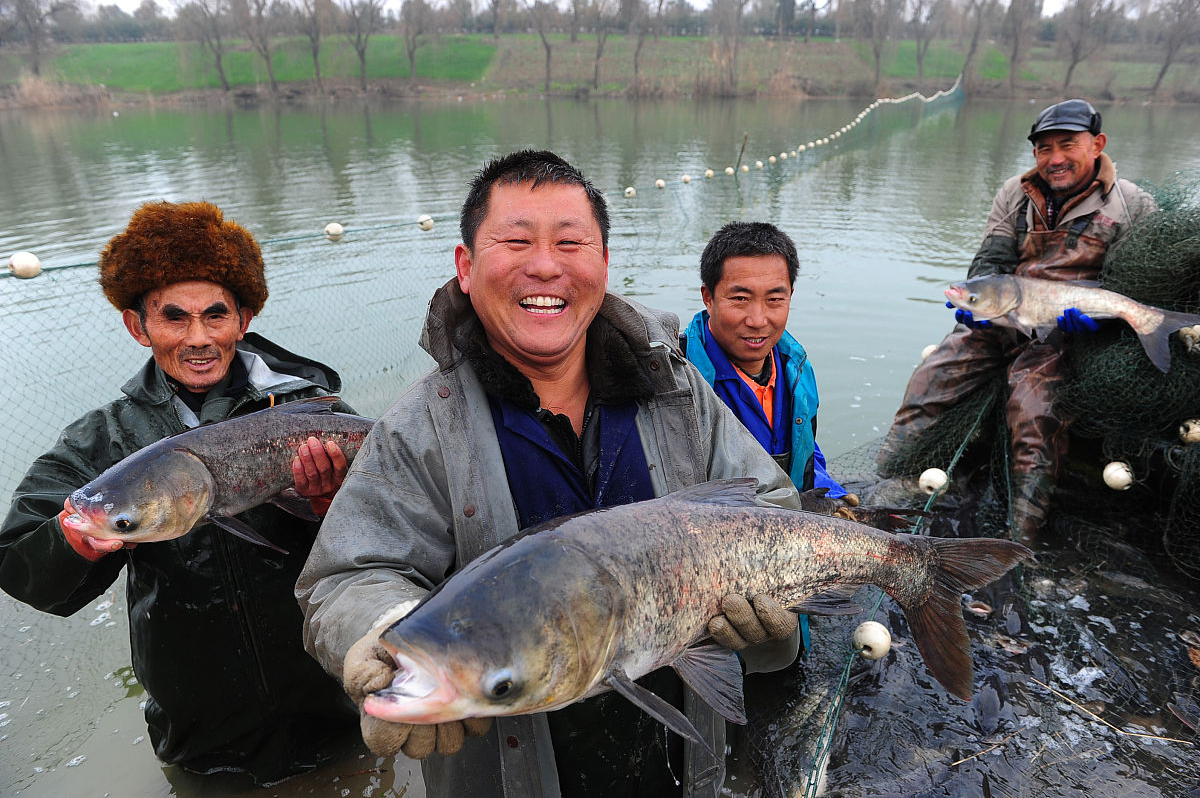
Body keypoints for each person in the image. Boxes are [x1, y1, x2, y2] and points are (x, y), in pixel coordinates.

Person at [296, 150, 806, 798]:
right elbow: (345, 577)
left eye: (570, 243)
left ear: (603, 263)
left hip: (683, 768)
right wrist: (388, 630)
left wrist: (767, 605)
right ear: (465, 266)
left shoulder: (677, 390)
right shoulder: (417, 428)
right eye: (516, 242)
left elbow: (770, 505)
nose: (545, 265)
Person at [0, 201, 359, 785]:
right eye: (174, 318)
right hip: (201, 732)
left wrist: (330, 507)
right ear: (137, 325)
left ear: (243, 319)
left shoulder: (311, 410)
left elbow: (397, 531)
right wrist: (78, 543)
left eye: (216, 315)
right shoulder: (101, 440)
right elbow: (17, 565)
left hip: (333, 699)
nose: (199, 339)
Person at [879, 99, 1157, 543]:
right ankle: (885, 485)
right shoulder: (1015, 193)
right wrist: (976, 307)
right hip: (1003, 316)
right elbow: (989, 262)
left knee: (1033, 413)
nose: (1055, 158)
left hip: (1066, 335)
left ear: (1097, 144)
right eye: (1044, 149)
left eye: (1068, 145)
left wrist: (1099, 325)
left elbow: (1134, 286)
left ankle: (1020, 538)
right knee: (930, 379)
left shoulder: (1131, 203)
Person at [681, 221, 854, 504]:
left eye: (774, 299)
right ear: (708, 298)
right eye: (740, 298)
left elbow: (805, 449)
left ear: (789, 296)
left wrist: (833, 495)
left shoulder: (796, 368)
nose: (758, 320)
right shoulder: (679, 380)